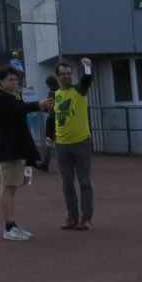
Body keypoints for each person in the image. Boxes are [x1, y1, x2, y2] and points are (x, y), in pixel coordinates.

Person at [0, 66, 53, 241]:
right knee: (8, 187)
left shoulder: (11, 97)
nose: (14, 82)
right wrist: (38, 105)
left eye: (15, 79)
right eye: (10, 79)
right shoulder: (2, 98)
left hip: (15, 148)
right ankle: (9, 226)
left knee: (11, 187)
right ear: (0, 81)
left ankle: (12, 225)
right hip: (10, 149)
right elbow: (17, 109)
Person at [51, 57, 95, 231]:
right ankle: (71, 216)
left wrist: (88, 67)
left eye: (69, 73)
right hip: (62, 144)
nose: (67, 77)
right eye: (63, 74)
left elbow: (87, 79)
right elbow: (54, 116)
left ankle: (86, 218)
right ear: (57, 77)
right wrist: (51, 135)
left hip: (81, 143)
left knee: (84, 181)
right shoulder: (57, 94)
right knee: (67, 183)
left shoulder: (79, 90)